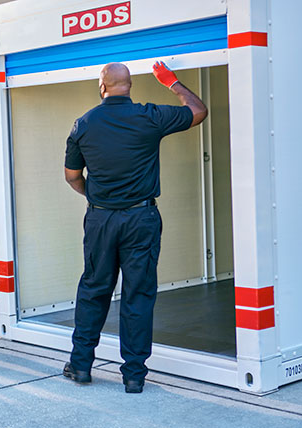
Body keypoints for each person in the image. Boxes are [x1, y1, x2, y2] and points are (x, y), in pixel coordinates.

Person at [62, 62, 208, 393]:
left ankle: (82, 366)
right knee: (138, 294)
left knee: (93, 290)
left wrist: (97, 199)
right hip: (141, 218)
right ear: (130, 86)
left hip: (100, 219)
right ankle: (133, 376)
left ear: (102, 88)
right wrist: (171, 82)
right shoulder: (149, 116)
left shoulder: (83, 124)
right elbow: (198, 111)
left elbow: (72, 176)